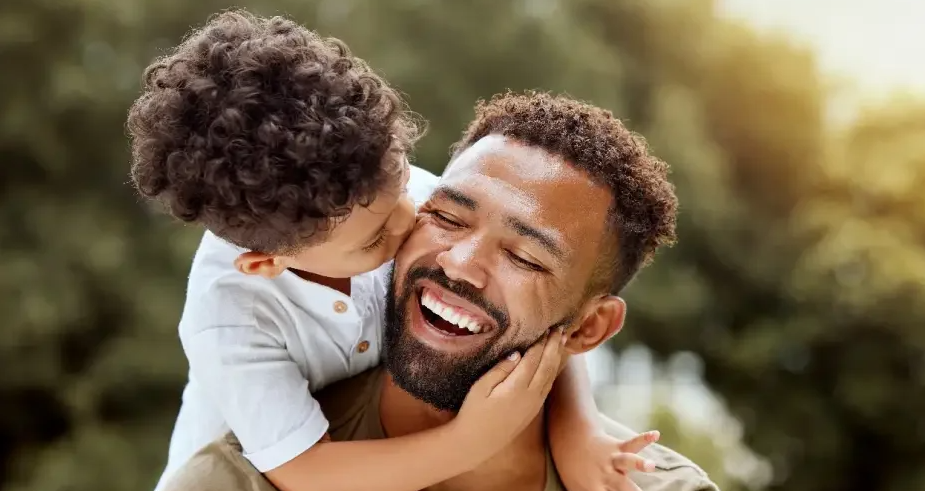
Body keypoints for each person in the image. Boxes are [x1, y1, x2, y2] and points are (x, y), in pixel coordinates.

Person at [126, 10, 658, 491]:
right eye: (376, 239)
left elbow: (543, 311)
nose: (415, 225)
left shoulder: (387, 203)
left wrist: (578, 432)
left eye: (414, 195)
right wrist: (470, 443)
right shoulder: (230, 322)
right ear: (268, 263)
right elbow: (308, 474)